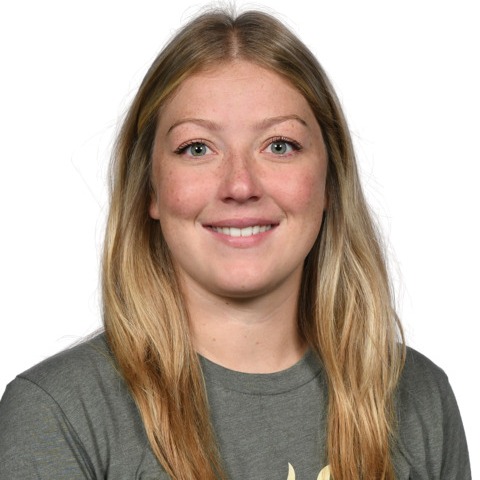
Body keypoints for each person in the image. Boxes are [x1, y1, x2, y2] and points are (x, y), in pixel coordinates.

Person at [0, 8, 471, 480]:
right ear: (150, 188)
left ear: (330, 180)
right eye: (197, 148)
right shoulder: (58, 415)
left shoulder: (420, 398)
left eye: (279, 145)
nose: (240, 185)